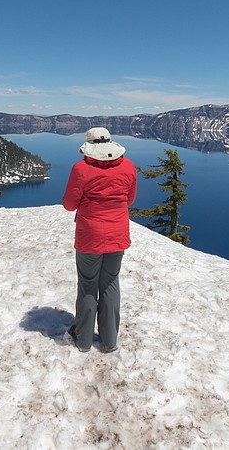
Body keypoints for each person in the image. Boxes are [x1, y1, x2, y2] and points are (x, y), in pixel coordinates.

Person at [62, 127, 137, 353]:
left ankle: (84, 340)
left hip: (90, 237)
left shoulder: (81, 169)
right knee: (110, 282)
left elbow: (69, 204)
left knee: (87, 284)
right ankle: (109, 341)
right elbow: (130, 199)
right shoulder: (129, 166)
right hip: (117, 234)